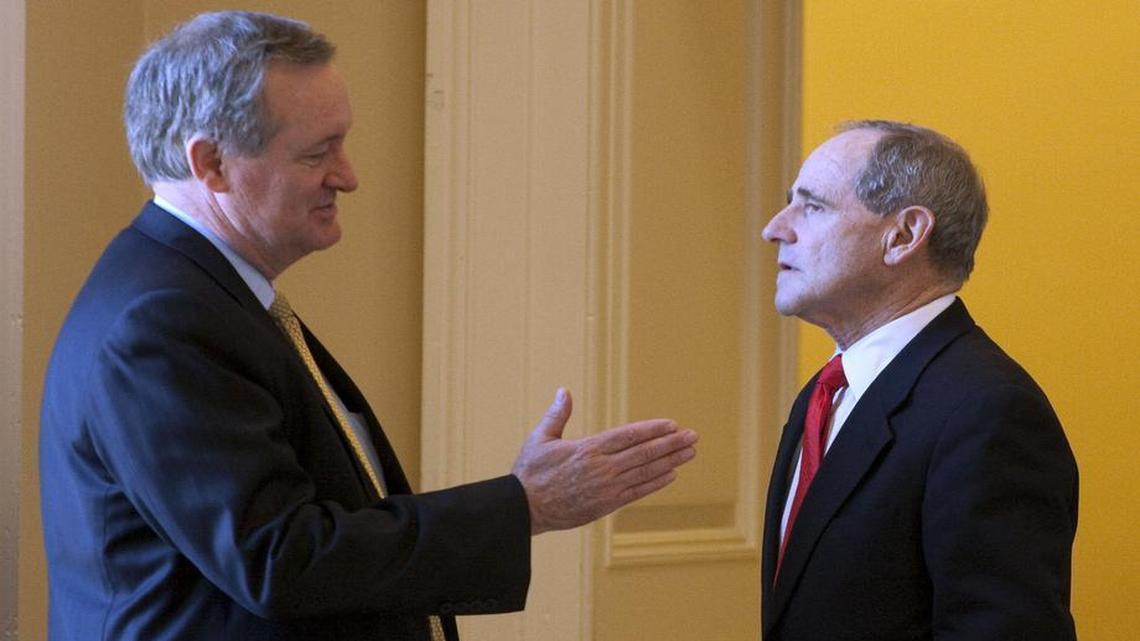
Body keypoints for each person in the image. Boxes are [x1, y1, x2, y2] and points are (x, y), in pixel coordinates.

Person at [39, 11, 697, 641]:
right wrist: (524, 505)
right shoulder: (162, 321)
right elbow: (280, 558)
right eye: (317, 153)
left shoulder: (199, 294)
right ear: (211, 163)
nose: (348, 177)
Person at [759, 120, 1077, 640]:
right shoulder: (823, 394)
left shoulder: (988, 411)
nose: (775, 227)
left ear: (903, 236)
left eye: (812, 207)